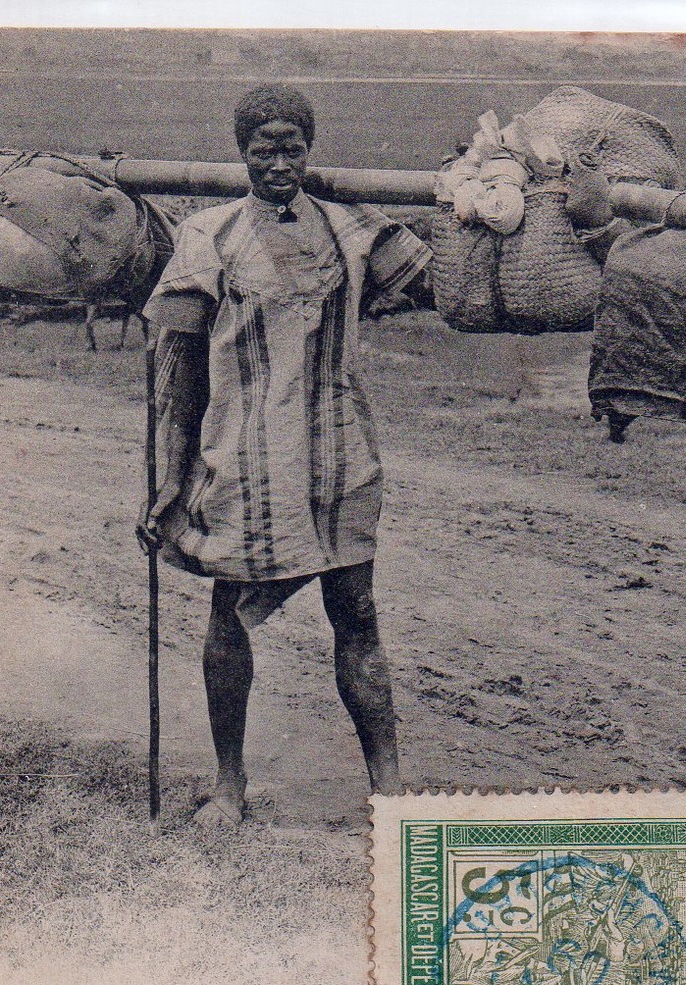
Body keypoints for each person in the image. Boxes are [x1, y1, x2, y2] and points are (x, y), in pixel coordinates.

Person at [137, 84, 431, 827]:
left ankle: (388, 790)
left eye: (291, 146)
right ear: (242, 152)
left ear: (309, 149)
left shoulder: (350, 228)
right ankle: (229, 784)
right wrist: (169, 476)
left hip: (339, 456)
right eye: (263, 147)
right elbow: (176, 363)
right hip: (244, 461)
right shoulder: (210, 235)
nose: (278, 161)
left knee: (357, 612)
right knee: (228, 615)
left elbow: (433, 285)